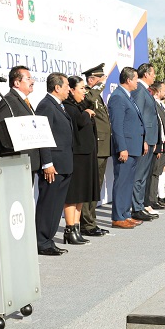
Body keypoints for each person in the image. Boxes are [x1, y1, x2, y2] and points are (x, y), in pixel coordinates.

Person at [34, 72, 73, 255]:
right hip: (53, 166)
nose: (69, 90)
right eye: (66, 86)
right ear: (57, 87)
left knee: (56, 205)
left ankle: (48, 240)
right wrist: (47, 163)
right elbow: (42, 137)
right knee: (48, 204)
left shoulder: (59, 105)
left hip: (63, 163)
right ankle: (41, 242)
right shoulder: (46, 105)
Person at [62, 76, 99, 245]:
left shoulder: (80, 105)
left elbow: (89, 106)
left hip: (86, 154)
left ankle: (76, 227)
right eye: (82, 88)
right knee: (73, 194)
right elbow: (79, 122)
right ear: (71, 90)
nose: (85, 92)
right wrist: (86, 114)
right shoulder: (69, 107)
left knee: (81, 195)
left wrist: (86, 110)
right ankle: (69, 229)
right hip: (76, 156)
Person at [107, 67, 145, 229]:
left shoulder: (127, 96)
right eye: (136, 79)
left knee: (128, 182)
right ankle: (118, 217)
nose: (137, 82)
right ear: (128, 80)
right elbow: (117, 126)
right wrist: (122, 147)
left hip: (134, 147)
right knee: (122, 182)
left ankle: (125, 214)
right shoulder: (117, 97)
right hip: (126, 149)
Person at [80, 63, 111, 237]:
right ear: (92, 79)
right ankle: (87, 223)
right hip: (96, 145)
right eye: (100, 79)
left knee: (96, 187)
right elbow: (88, 100)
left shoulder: (97, 95)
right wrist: (99, 85)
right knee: (90, 186)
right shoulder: (88, 92)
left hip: (103, 146)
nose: (104, 82)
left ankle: (91, 221)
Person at [0, 65, 40, 179]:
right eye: (28, 78)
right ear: (17, 83)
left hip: (28, 162)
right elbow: (4, 133)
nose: (32, 81)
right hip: (18, 163)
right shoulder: (9, 101)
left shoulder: (23, 100)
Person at [130, 63, 159, 222]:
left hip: (150, 138)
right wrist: (143, 139)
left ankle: (140, 206)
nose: (154, 76)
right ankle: (136, 208)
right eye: (152, 73)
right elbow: (138, 116)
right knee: (139, 175)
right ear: (146, 74)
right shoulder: (139, 91)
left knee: (143, 175)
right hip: (144, 139)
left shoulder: (145, 91)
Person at [148, 81, 165, 211]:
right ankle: (151, 199)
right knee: (154, 173)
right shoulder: (154, 105)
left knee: (157, 172)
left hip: (163, 143)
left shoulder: (161, 106)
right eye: (163, 90)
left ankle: (154, 198)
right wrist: (158, 145)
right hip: (158, 144)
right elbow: (156, 126)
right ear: (157, 91)